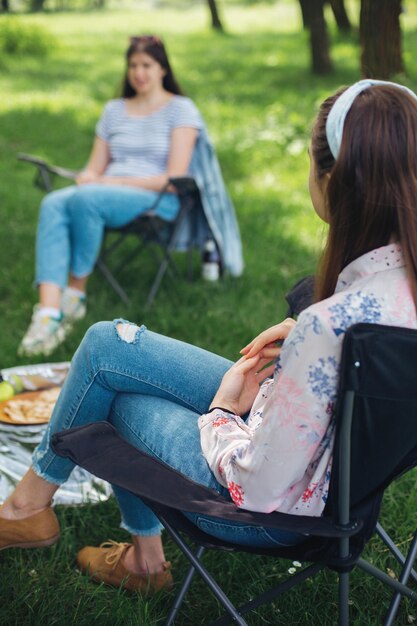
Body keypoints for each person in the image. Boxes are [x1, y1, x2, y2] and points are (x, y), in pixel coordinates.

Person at [3, 79, 417, 594]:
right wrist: (298, 333)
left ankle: (118, 551)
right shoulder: (381, 301)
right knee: (109, 343)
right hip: (331, 474)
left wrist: (223, 412)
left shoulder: (328, 328)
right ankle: (40, 512)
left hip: (275, 514)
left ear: (332, 180)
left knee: (112, 394)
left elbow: (259, 486)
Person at [18, 35, 204, 357]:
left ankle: (74, 295)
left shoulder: (181, 109)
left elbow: (173, 178)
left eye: (147, 65)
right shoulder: (114, 110)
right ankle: (47, 313)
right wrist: (90, 177)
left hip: (157, 196)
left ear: (162, 68)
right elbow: (94, 168)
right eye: (133, 65)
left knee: (85, 199)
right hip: (105, 190)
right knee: (53, 202)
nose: (139, 72)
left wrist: (109, 182)